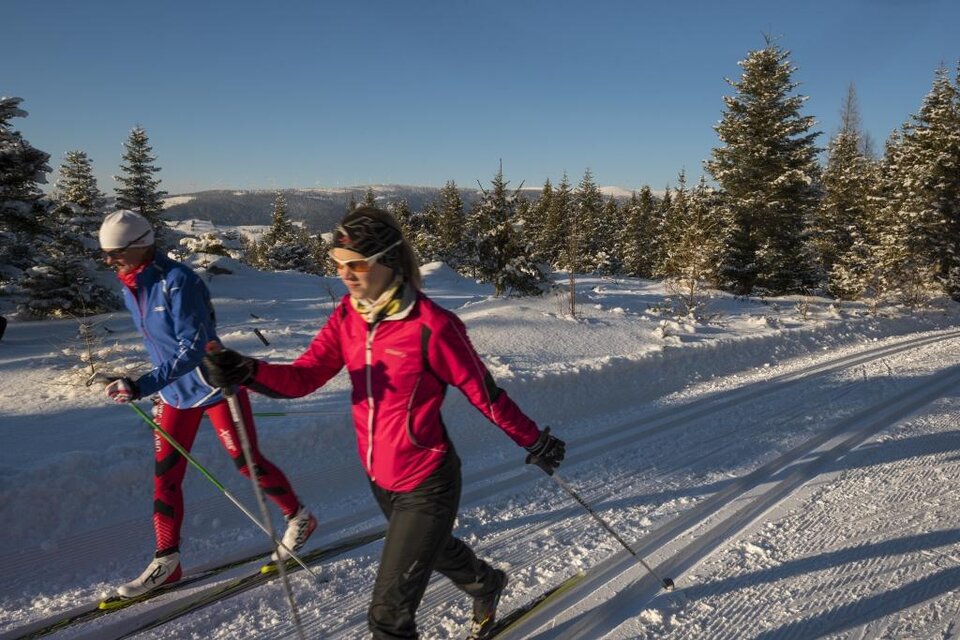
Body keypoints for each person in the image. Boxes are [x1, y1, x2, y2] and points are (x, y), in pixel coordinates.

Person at [204, 206, 566, 639]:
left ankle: (475, 588)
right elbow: (304, 377)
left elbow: (485, 396)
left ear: (388, 260)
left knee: (388, 618)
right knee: (434, 549)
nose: (345, 274)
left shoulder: (433, 326)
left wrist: (535, 441)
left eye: (355, 264)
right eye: (337, 263)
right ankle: (486, 583)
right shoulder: (348, 315)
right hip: (381, 478)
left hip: (428, 481)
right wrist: (248, 370)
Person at [98, 210, 316, 599]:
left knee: (246, 462)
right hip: (173, 394)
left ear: (140, 245)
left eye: (115, 253)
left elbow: (193, 348)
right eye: (106, 254)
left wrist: (143, 383)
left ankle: (299, 518)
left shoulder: (178, 281)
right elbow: (159, 345)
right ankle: (167, 560)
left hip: (214, 385)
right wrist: (130, 381)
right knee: (166, 477)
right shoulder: (131, 286)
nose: (109, 261)